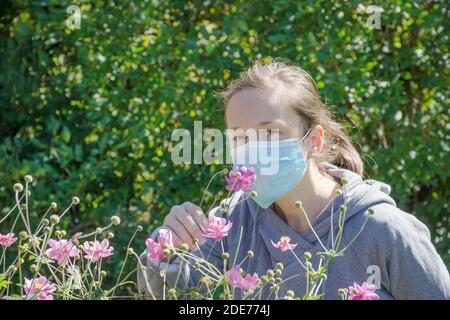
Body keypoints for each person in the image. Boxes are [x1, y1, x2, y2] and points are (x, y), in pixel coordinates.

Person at [137, 58, 450, 299]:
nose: (254, 149)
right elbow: (168, 291)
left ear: (314, 140)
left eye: (270, 132)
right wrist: (166, 249)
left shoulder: (382, 228)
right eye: (239, 137)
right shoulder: (231, 225)